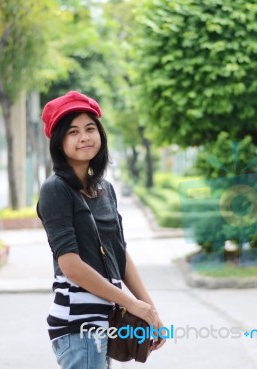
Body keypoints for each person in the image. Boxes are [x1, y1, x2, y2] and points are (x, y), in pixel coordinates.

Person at [37, 91, 165, 369]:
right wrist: (130, 303)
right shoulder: (55, 189)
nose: (84, 137)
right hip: (78, 325)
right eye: (73, 131)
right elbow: (70, 265)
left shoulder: (104, 189)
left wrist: (150, 310)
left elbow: (120, 254)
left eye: (90, 128)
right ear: (59, 142)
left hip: (106, 321)